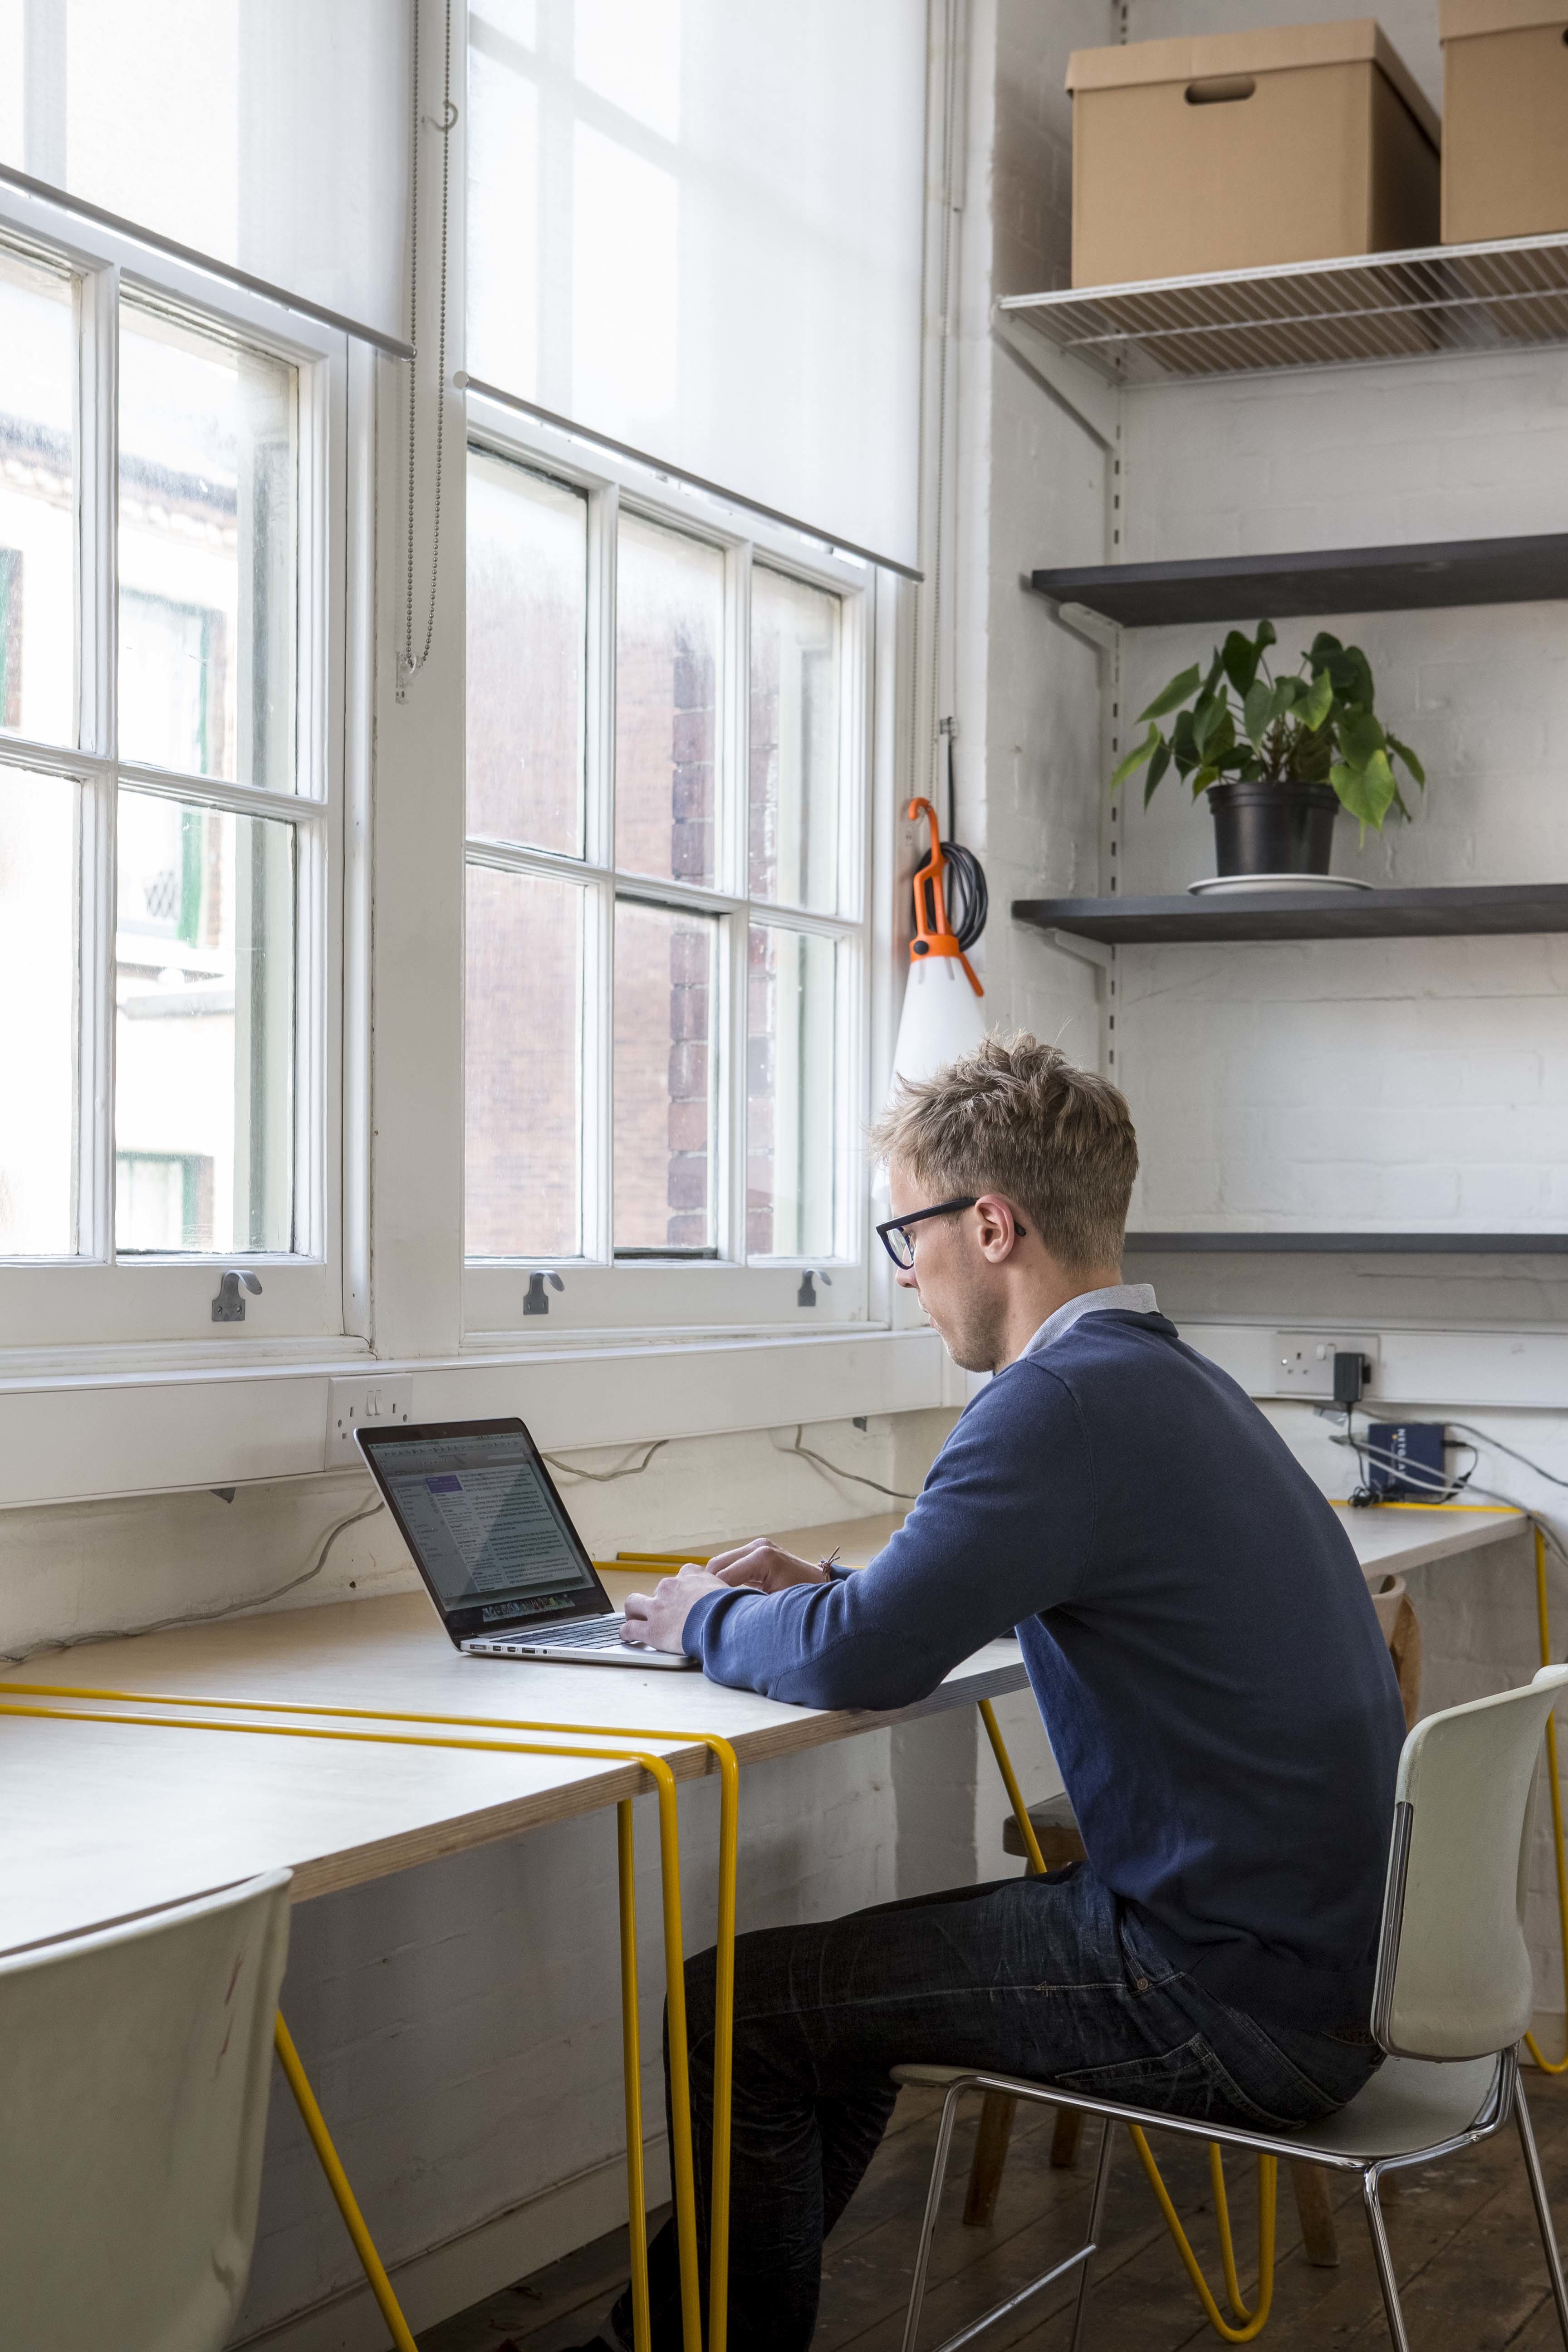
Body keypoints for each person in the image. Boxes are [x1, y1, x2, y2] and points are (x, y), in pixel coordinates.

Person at [577, 1035, 1404, 2352]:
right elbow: (978, 1590)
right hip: (1332, 1970)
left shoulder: (1055, 1403)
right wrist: (844, 1579)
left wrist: (704, 1614)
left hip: (1224, 1999)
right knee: (809, 2017)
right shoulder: (1171, 1378)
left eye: (911, 1237)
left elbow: (864, 1660)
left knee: (741, 2014)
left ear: (993, 1224)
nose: (909, 1278)